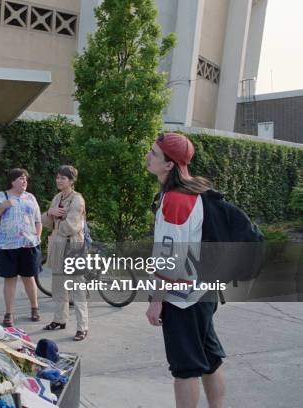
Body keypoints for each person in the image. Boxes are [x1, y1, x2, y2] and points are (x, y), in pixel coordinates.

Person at [145, 132, 226, 408]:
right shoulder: (197, 190)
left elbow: (170, 258)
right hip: (204, 291)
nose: (148, 156)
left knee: (186, 368)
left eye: (153, 154)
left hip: (182, 299)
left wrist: (156, 301)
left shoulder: (175, 200)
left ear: (169, 165)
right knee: (210, 359)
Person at [0, 168, 42, 327]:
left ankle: (34, 308)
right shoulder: (0, 197)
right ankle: (9, 313)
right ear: (12, 181)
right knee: (10, 279)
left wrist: (37, 236)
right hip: (7, 246)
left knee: (29, 278)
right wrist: (3, 206)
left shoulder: (30, 198)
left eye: (26, 179)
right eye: (21, 179)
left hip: (28, 244)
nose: (25, 181)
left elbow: (38, 220)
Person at [41, 165, 89, 341]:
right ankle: (59, 320)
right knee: (58, 286)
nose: (59, 180)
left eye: (63, 178)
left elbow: (71, 227)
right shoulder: (57, 197)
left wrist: (55, 220)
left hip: (73, 246)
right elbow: (45, 220)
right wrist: (50, 212)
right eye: (58, 177)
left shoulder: (77, 200)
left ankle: (82, 327)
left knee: (77, 287)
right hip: (58, 246)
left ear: (71, 181)